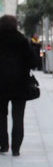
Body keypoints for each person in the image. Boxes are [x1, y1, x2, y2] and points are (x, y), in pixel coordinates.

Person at [0, 15, 37, 157]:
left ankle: (3, 144)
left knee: (1, 115)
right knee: (18, 116)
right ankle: (16, 148)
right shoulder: (22, 41)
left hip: (1, 84)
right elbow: (33, 62)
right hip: (20, 84)